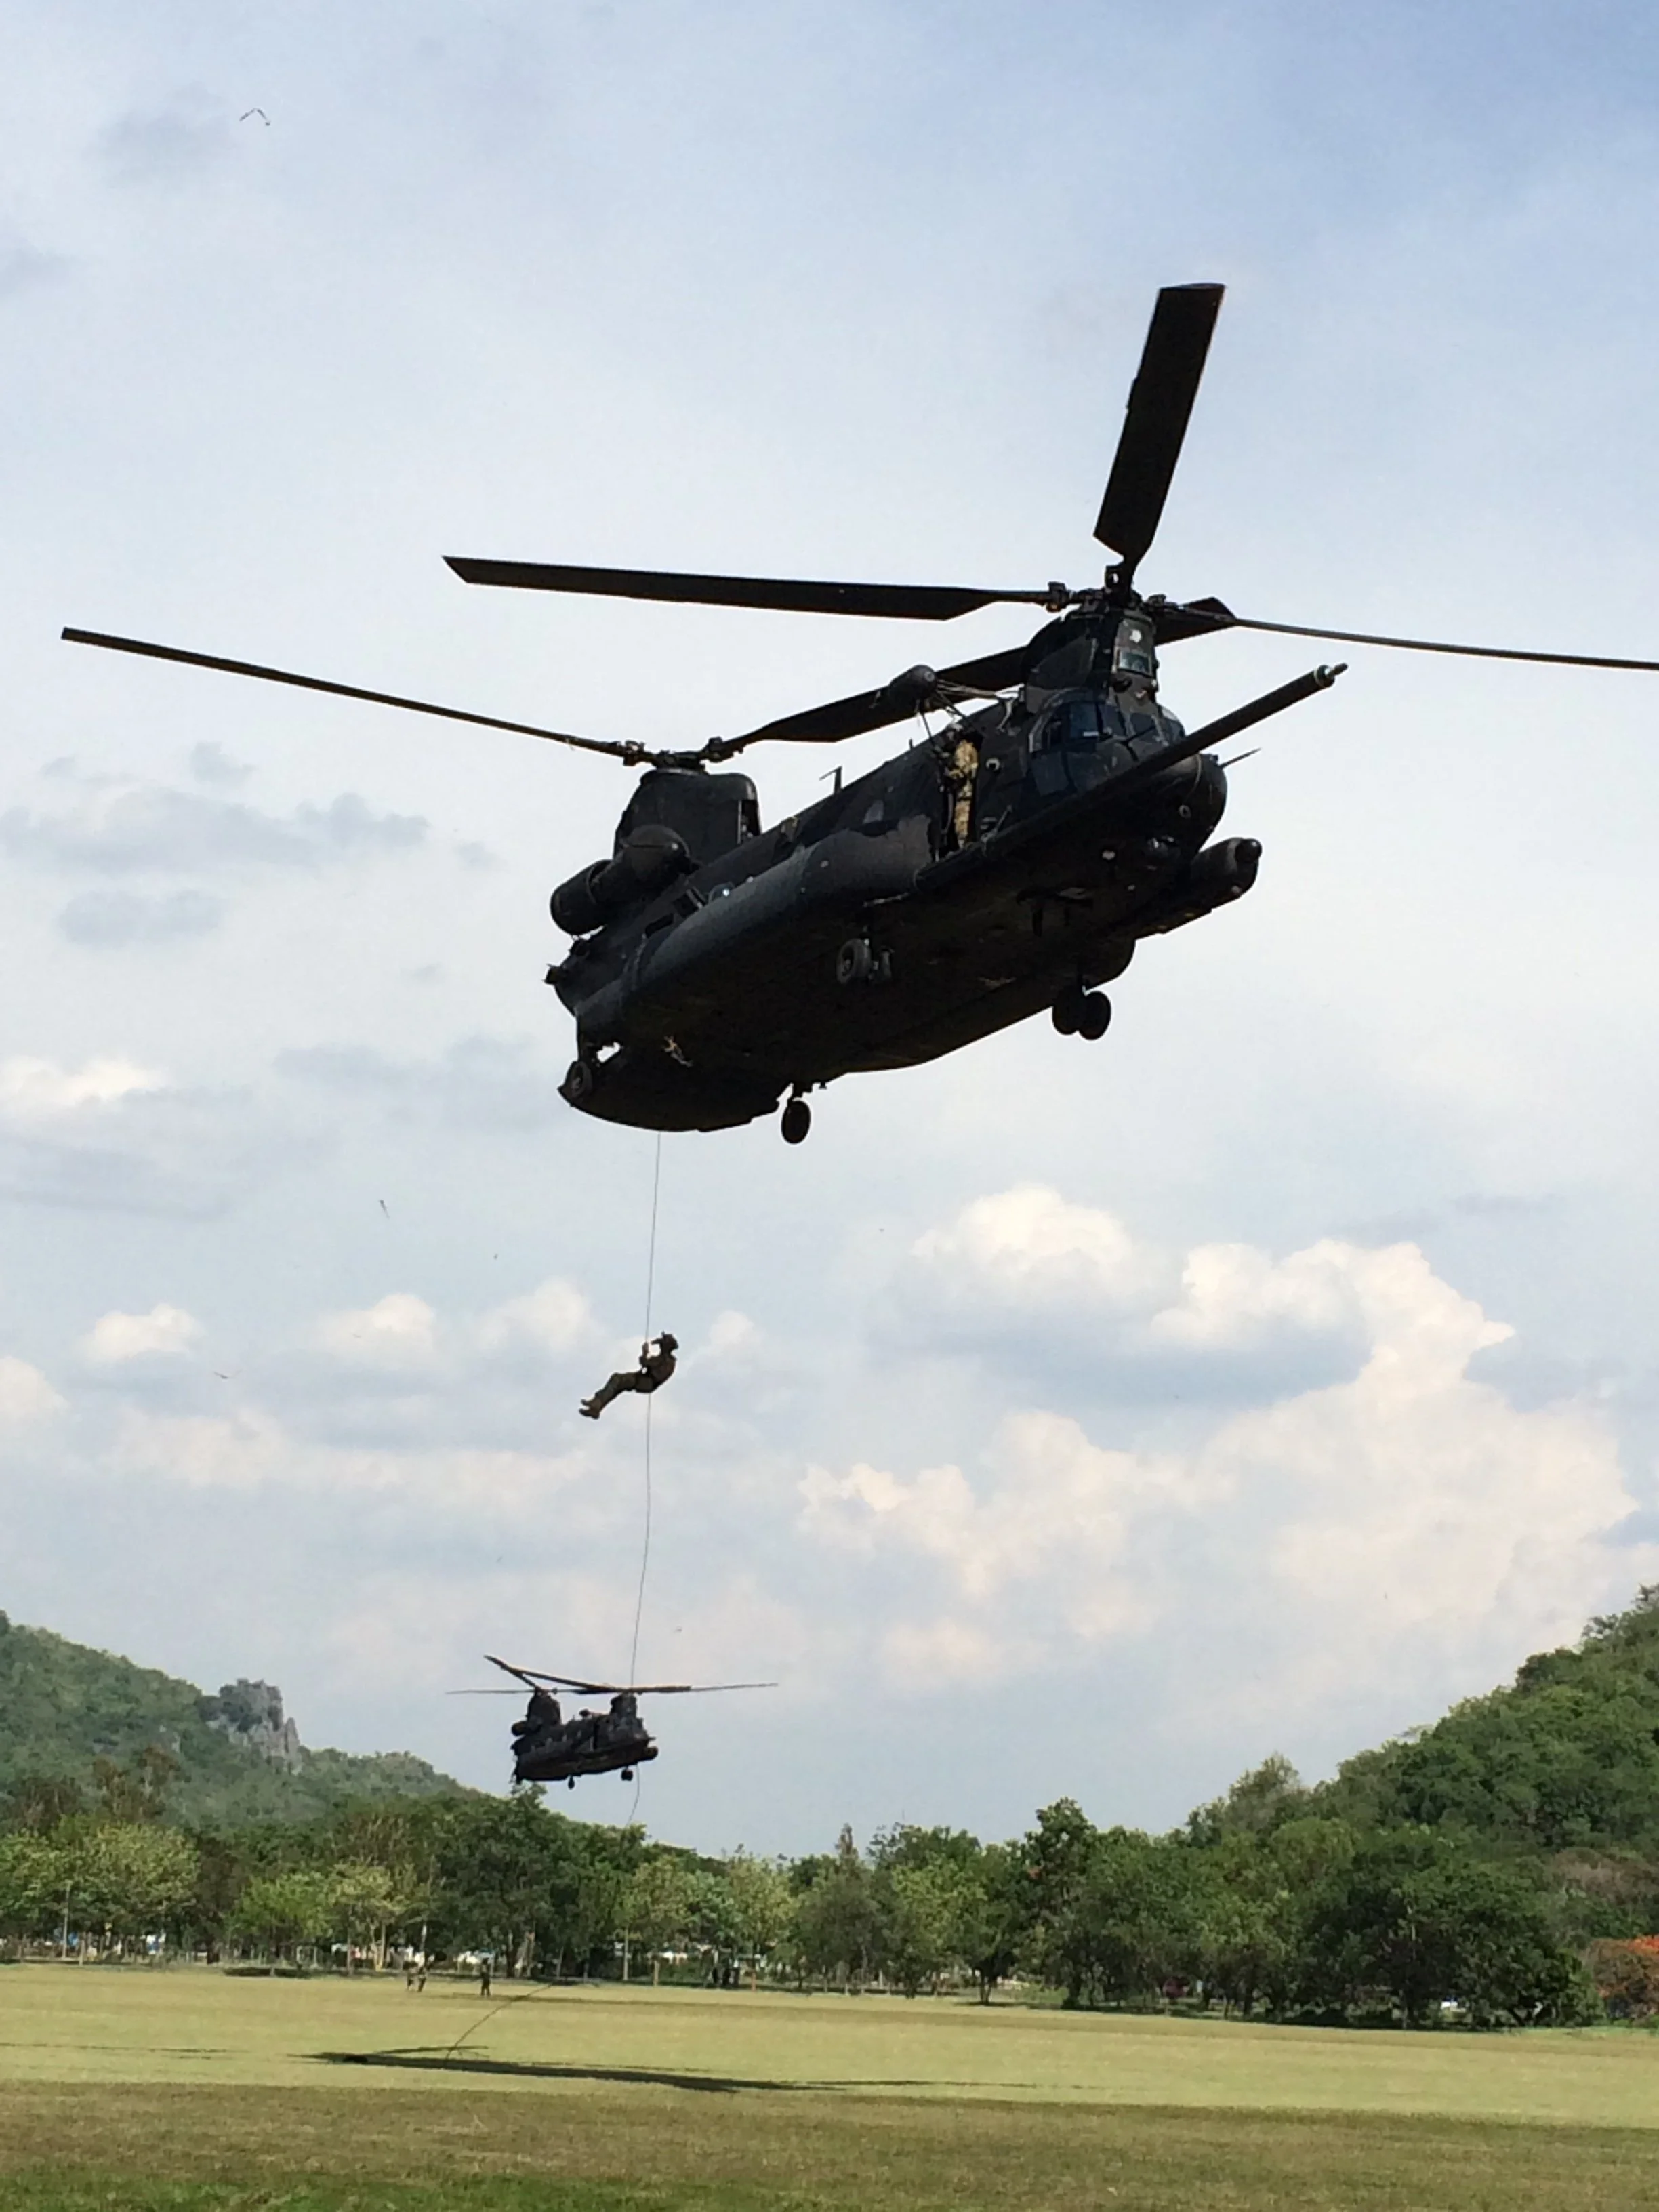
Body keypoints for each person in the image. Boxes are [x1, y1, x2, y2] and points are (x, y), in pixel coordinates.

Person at [579, 1332, 678, 1420]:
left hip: (647, 1383)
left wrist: (645, 1354)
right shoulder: (662, 1358)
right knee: (616, 1387)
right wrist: (645, 1355)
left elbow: (650, 1368)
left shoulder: (668, 1362)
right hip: (644, 1380)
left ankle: (597, 1403)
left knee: (617, 1379)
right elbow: (646, 1363)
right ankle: (596, 1407)